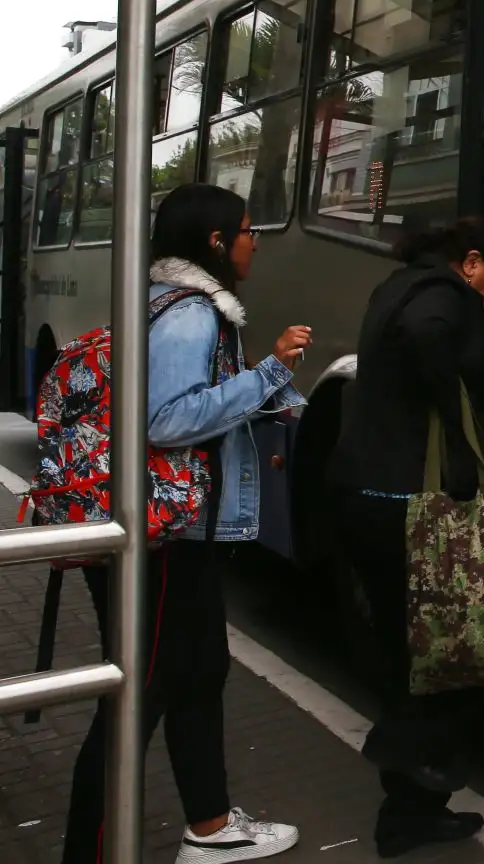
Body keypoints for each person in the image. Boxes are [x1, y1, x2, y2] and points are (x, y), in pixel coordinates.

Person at [62, 182, 311, 864]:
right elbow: (166, 420)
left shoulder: (181, 306)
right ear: (214, 242)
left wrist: (268, 392)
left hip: (185, 537)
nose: (254, 240)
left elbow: (196, 407)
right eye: (247, 229)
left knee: (200, 675)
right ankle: (89, 853)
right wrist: (265, 376)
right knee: (140, 697)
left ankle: (209, 827)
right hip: (167, 539)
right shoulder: (192, 315)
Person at [328, 216, 484, 857]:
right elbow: (425, 338)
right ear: (472, 263)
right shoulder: (443, 299)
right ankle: (402, 761)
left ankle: (410, 809)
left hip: (365, 496)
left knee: (409, 654)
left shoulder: (397, 286)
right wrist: (450, 413)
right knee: (459, 654)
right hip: (406, 506)